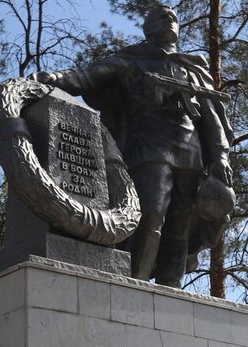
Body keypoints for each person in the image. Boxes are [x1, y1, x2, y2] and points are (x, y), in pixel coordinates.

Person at [33, 4, 234, 288]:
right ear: (148, 27)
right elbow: (90, 76)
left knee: (180, 226)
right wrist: (55, 79)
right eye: (162, 16)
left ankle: (171, 286)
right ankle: (134, 281)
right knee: (150, 213)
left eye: (174, 16)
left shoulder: (193, 65)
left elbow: (212, 119)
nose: (170, 19)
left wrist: (220, 158)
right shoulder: (132, 61)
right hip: (148, 147)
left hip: (191, 153)